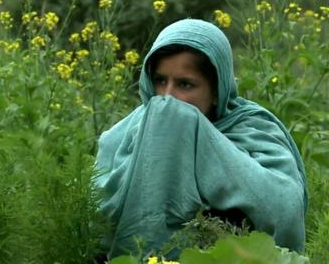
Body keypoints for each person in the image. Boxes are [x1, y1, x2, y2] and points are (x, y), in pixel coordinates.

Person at [94, 19, 307, 260]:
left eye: (185, 84)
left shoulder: (253, 130)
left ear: (217, 91)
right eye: (160, 81)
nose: (168, 97)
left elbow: (283, 212)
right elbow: (94, 220)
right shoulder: (126, 133)